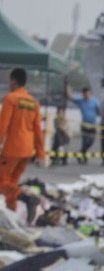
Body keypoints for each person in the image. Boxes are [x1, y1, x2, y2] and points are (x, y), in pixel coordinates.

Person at [0, 68, 47, 210]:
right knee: (12, 184)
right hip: (27, 151)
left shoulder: (11, 99)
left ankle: (26, 197)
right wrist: (40, 154)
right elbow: (38, 130)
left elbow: (3, 125)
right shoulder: (34, 102)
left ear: (13, 81)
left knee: (2, 183)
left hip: (12, 149)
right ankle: (11, 211)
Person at [65, 81, 100, 164]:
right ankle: (82, 157)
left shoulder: (95, 102)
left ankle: (81, 153)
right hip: (84, 124)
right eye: (84, 93)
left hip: (93, 125)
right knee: (84, 141)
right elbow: (70, 97)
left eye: (88, 93)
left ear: (90, 93)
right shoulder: (81, 101)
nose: (86, 95)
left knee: (91, 142)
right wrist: (67, 85)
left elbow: (99, 112)